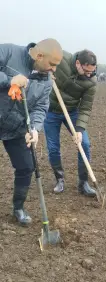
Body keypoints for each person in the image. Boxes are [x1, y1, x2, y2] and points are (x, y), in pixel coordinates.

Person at [0, 39, 63, 225]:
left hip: (16, 126)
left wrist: (35, 128)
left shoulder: (46, 81)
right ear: (39, 55)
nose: (54, 70)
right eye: (52, 64)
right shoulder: (10, 52)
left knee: (27, 167)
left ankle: (18, 208)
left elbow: (41, 108)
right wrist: (8, 80)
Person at [44, 49, 97, 196]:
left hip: (73, 112)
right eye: (86, 71)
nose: (89, 75)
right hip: (51, 111)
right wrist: (46, 72)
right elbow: (41, 54)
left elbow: (85, 108)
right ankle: (59, 179)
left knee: (84, 144)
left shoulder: (91, 82)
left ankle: (83, 183)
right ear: (78, 63)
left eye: (92, 71)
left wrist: (79, 129)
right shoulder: (61, 58)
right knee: (53, 147)